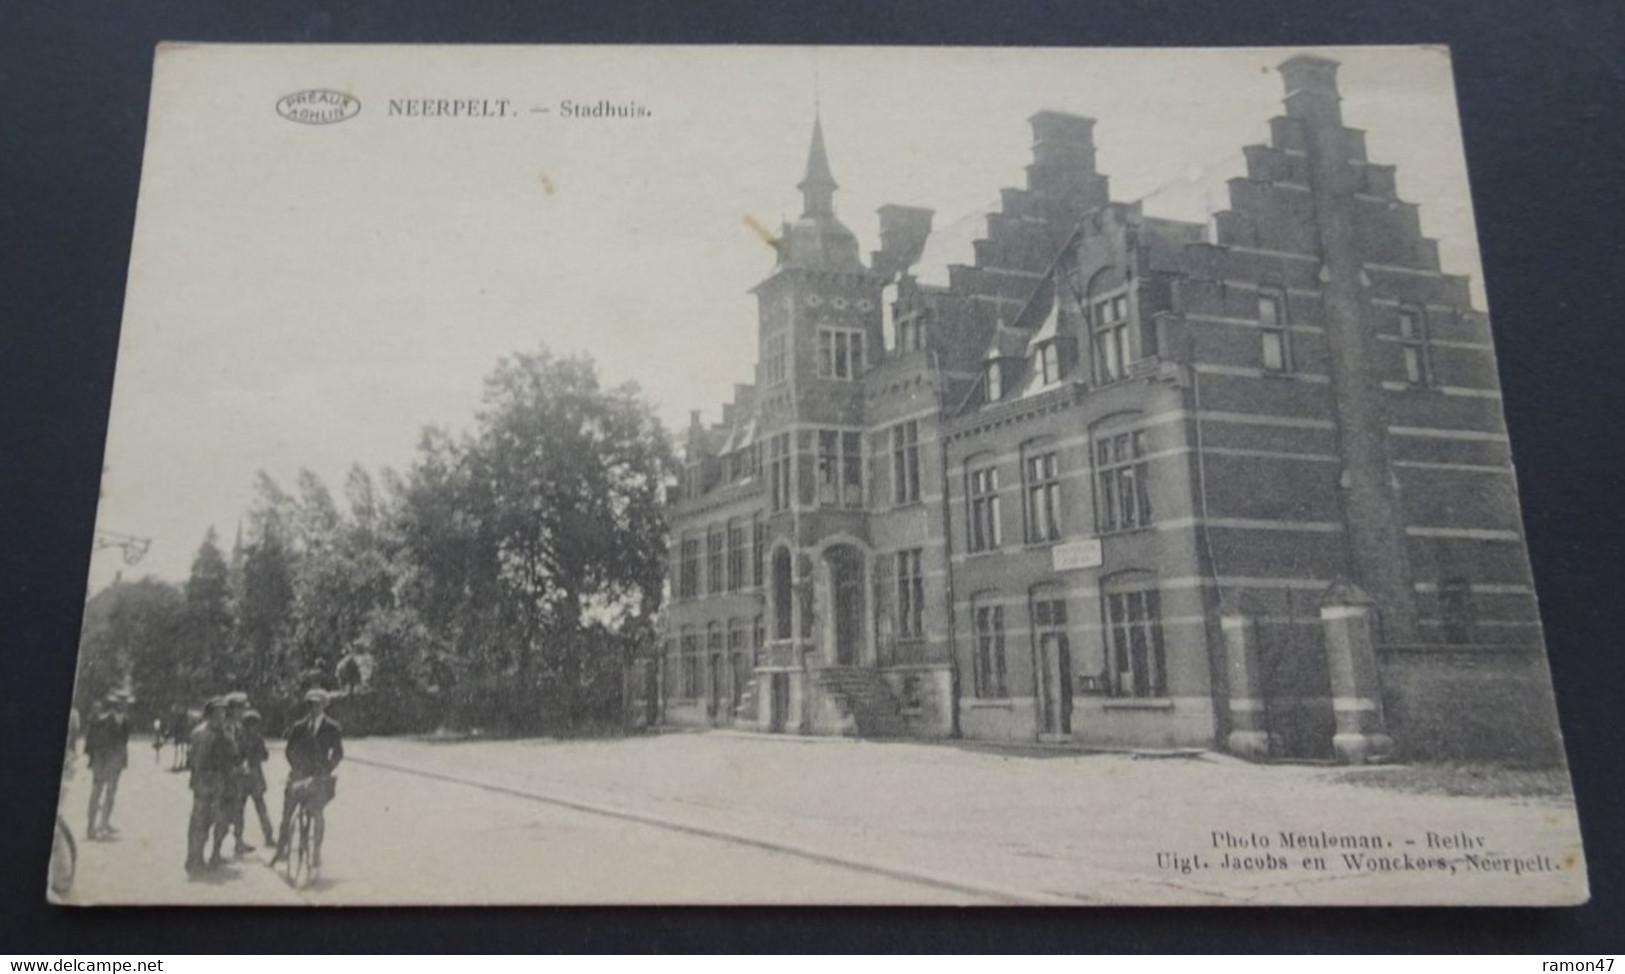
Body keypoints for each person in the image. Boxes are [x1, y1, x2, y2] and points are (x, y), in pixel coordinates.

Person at [271, 689, 343, 869]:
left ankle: (316, 851)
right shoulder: (299, 727)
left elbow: (338, 753)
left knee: (317, 813)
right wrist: (296, 766)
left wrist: (327, 768)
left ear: (324, 705)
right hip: (299, 774)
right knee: (287, 812)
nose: (314, 708)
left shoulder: (332, 727)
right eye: (311, 704)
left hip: (320, 777)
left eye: (318, 704)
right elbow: (289, 750)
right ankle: (281, 850)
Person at [185, 697, 236, 875]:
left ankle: (211, 855)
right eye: (217, 713)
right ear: (210, 714)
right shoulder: (203, 733)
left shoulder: (221, 732)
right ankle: (194, 859)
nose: (221, 716)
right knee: (201, 823)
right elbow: (196, 761)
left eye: (223, 713)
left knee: (220, 821)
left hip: (219, 784)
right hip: (207, 784)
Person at [83, 692, 131, 840]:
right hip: (103, 761)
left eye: (125, 703)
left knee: (110, 793)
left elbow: (123, 743)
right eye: (120, 703)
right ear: (114, 705)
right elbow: (91, 741)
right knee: (97, 792)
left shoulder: (125, 720)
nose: (123, 705)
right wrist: (94, 759)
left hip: (114, 762)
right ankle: (91, 827)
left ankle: (104, 823)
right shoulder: (102, 721)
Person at [234, 708, 277, 854]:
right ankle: (267, 836)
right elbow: (265, 756)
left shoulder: (239, 738)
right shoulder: (255, 738)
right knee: (256, 808)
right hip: (251, 778)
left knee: (243, 810)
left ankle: (240, 840)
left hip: (245, 779)